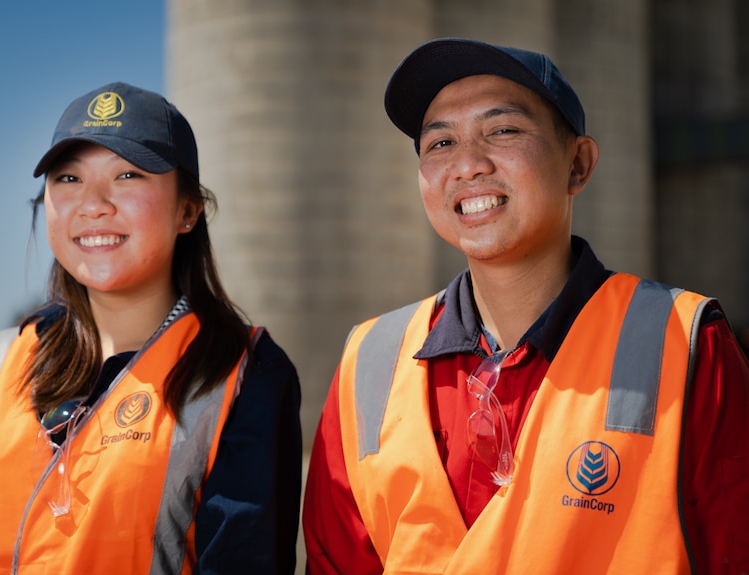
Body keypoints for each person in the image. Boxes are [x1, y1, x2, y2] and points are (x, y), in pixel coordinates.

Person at [303, 38, 749, 574]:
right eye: (440, 143)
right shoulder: (369, 362)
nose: (467, 164)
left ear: (578, 164)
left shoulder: (683, 342)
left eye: (503, 130)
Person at [0, 82, 302, 574]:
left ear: (187, 211)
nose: (93, 204)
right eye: (68, 179)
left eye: (128, 175)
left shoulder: (242, 374)